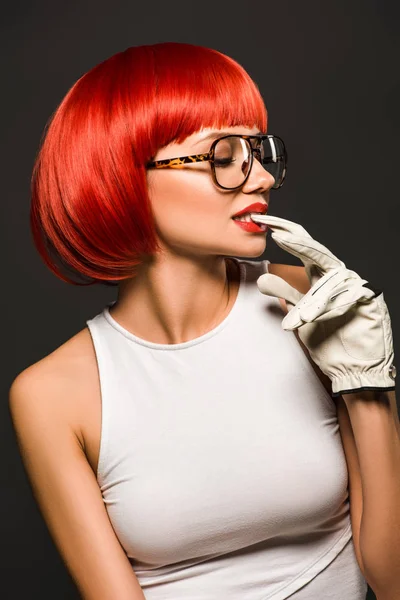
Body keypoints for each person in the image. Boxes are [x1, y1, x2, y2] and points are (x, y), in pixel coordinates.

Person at [9, 42, 369, 599]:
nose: (261, 178)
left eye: (258, 151)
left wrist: (369, 389)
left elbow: (391, 579)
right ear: (124, 175)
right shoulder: (51, 395)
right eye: (223, 156)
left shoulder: (308, 299)